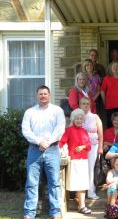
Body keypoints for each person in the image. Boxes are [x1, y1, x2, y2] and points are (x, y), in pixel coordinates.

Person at [22, 85, 65, 219]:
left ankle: (55, 212)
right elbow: (26, 130)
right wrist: (39, 141)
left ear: (49, 95)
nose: (43, 96)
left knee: (54, 183)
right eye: (40, 94)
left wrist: (47, 142)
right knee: (31, 183)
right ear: (37, 96)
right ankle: (29, 213)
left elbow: (60, 128)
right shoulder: (30, 112)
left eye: (45, 94)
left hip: (52, 149)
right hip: (35, 150)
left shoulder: (57, 111)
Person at [59, 109, 92, 215]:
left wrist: (83, 146)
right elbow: (61, 142)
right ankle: (75, 204)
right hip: (74, 160)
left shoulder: (84, 131)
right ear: (73, 119)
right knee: (74, 183)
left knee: (82, 183)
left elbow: (89, 146)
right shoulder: (68, 130)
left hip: (84, 160)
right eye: (77, 118)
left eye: (81, 118)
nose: (79, 120)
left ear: (83, 120)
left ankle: (82, 205)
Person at [79, 97, 103, 200]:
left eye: (87, 103)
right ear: (80, 105)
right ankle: (80, 193)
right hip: (79, 147)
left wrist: (100, 147)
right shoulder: (77, 116)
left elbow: (101, 133)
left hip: (93, 146)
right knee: (80, 169)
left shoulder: (95, 117)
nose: (85, 105)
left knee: (90, 169)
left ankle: (91, 192)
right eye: (83, 103)